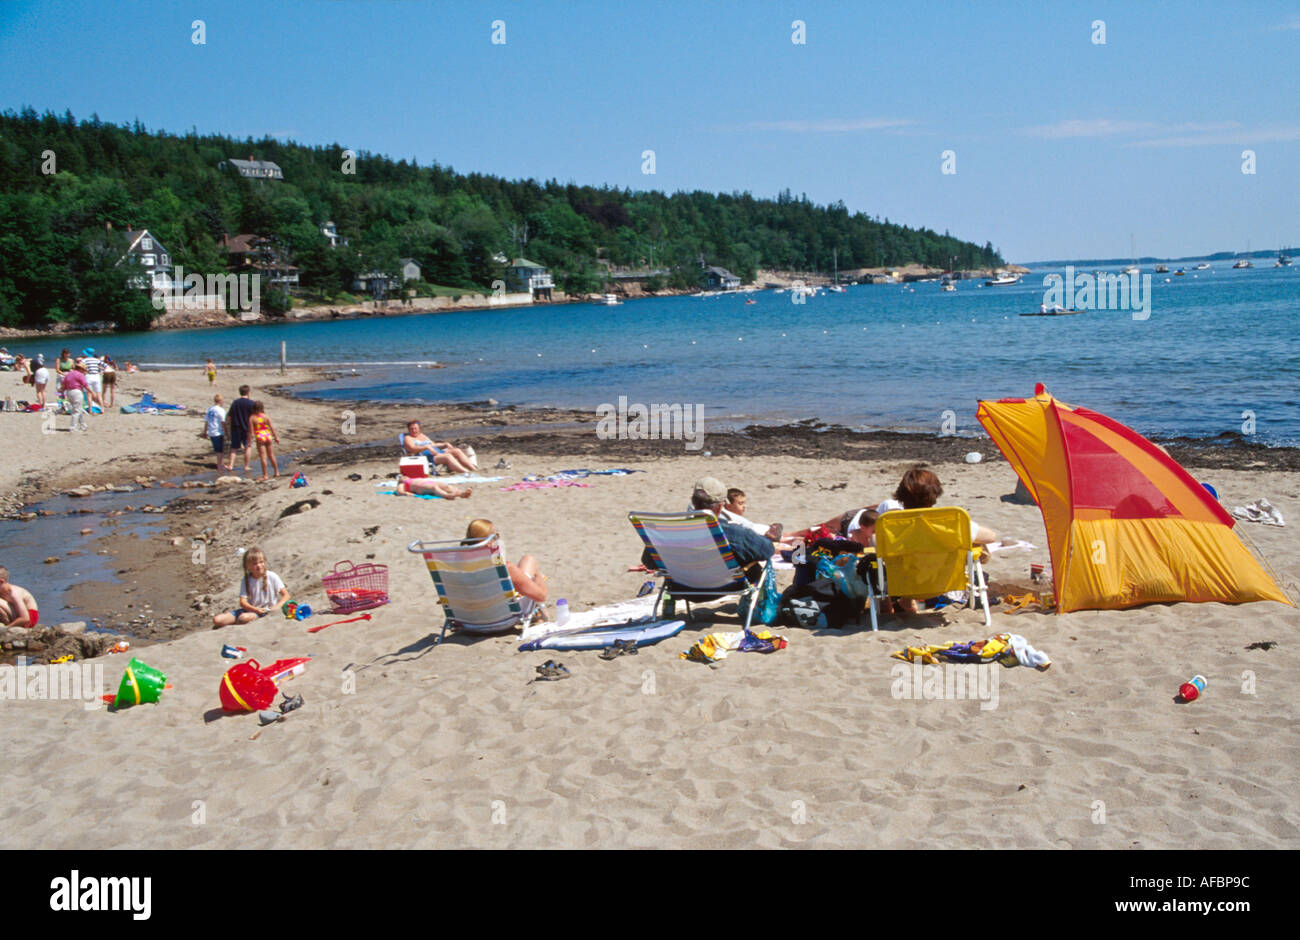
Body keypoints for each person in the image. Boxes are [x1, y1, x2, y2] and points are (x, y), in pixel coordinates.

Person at [464, 519, 547, 612]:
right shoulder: (504, 568)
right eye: (496, 536)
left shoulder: (458, 567)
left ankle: (540, 613)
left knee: (527, 560)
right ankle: (543, 613)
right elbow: (541, 596)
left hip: (470, 617)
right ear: (489, 543)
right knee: (531, 564)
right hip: (504, 616)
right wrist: (538, 576)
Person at [212, 547, 290, 627]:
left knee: (243, 618)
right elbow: (243, 602)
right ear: (248, 567)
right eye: (255, 564)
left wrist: (277, 606)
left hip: (264, 611)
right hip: (251, 609)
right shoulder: (246, 580)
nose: (259, 565)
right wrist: (255, 609)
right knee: (217, 620)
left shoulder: (272, 576)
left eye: (261, 562)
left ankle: (238, 622)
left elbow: (286, 595)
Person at [402, 419, 477, 474]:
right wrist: (426, 447)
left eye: (415, 428)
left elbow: (433, 444)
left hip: (438, 452)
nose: (414, 430)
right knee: (447, 456)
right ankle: (465, 472)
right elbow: (412, 449)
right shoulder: (408, 438)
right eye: (411, 429)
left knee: (456, 450)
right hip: (427, 457)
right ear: (408, 430)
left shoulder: (422, 436)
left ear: (419, 429)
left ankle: (472, 469)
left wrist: (445, 444)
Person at [225, 385, 256, 472]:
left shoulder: (235, 402)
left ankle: (231, 465)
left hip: (236, 427)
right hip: (247, 428)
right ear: (248, 392)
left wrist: (229, 424)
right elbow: (254, 416)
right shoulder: (251, 403)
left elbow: (229, 416)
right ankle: (246, 466)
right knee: (247, 447)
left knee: (234, 447)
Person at [249, 400, 280, 481]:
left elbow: (251, 432)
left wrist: (249, 441)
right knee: (271, 455)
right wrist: (276, 437)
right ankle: (276, 472)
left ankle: (265, 475)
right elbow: (271, 427)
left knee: (263, 457)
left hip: (260, 437)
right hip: (267, 435)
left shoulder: (252, 418)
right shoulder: (265, 416)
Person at [61, 362, 90, 431]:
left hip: (68, 392)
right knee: (76, 410)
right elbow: (85, 384)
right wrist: (91, 392)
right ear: (81, 369)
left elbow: (64, 384)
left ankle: (83, 425)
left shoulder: (68, 374)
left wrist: (62, 392)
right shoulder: (80, 375)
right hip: (76, 392)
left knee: (78, 409)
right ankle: (73, 427)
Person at [395, 476, 472, 499]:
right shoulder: (403, 484)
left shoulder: (412, 479)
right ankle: (446, 495)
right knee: (434, 488)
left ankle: (461, 493)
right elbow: (399, 491)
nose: (404, 477)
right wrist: (406, 493)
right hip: (419, 487)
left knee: (446, 486)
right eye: (402, 477)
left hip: (427, 482)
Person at [205, 394, 227, 470]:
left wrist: (205, 431)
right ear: (220, 401)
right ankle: (219, 465)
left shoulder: (210, 409)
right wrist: (226, 431)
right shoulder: (221, 410)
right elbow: (223, 422)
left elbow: (206, 421)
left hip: (211, 431)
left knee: (219, 449)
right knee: (219, 450)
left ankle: (221, 463)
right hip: (217, 431)